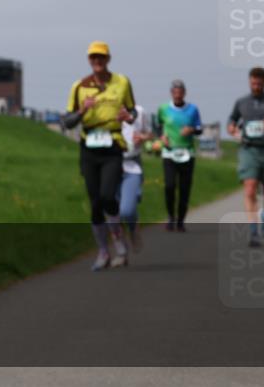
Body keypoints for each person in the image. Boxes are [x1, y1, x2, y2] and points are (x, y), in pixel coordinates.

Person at [62, 41, 137, 271]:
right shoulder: (79, 86)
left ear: (108, 59)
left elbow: (132, 110)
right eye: (93, 57)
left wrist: (129, 117)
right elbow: (67, 122)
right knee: (95, 203)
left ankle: (118, 240)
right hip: (89, 147)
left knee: (107, 196)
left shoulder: (122, 82)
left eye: (101, 57)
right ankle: (103, 251)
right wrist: (82, 110)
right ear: (89, 60)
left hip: (112, 145)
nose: (97, 61)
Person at [227, 67, 264, 247]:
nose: (256, 87)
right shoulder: (242, 102)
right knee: (250, 187)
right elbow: (232, 119)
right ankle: (253, 230)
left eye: (259, 84)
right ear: (249, 81)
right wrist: (231, 126)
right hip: (249, 149)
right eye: (253, 83)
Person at [157, 80, 203, 232]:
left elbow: (199, 128)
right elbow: (157, 125)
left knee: (185, 188)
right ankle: (171, 217)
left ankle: (181, 221)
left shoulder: (193, 109)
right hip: (169, 153)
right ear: (171, 93)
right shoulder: (163, 108)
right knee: (170, 185)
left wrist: (191, 129)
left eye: (180, 92)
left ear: (184, 93)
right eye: (175, 92)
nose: (177, 95)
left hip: (187, 153)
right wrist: (161, 136)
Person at [118, 104, 152, 260]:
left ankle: (133, 228)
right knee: (112, 210)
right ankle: (121, 252)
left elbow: (150, 134)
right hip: (108, 164)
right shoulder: (104, 110)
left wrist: (143, 137)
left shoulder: (139, 111)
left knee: (127, 210)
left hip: (132, 164)